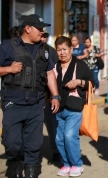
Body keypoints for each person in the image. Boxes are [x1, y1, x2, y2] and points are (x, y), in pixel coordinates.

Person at [0, 14, 60, 178]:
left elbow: (49, 73)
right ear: (27, 28)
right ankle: (13, 162)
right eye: (39, 29)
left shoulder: (45, 50)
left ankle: (32, 170)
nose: (42, 32)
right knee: (12, 142)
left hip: (36, 103)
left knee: (34, 143)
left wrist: (55, 95)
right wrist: (9, 70)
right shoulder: (9, 46)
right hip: (13, 102)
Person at [54, 36, 94, 177]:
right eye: (59, 50)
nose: (62, 52)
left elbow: (91, 82)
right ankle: (66, 164)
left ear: (71, 49)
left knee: (70, 135)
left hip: (74, 106)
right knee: (59, 138)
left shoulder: (79, 64)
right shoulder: (55, 65)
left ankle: (77, 164)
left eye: (65, 49)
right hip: (59, 107)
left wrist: (78, 82)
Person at [40, 32, 61, 165]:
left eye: (45, 35)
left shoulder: (50, 51)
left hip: (48, 95)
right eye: (41, 35)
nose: (43, 38)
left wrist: (55, 95)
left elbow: (56, 73)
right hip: (32, 96)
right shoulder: (25, 49)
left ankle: (56, 152)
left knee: (52, 124)